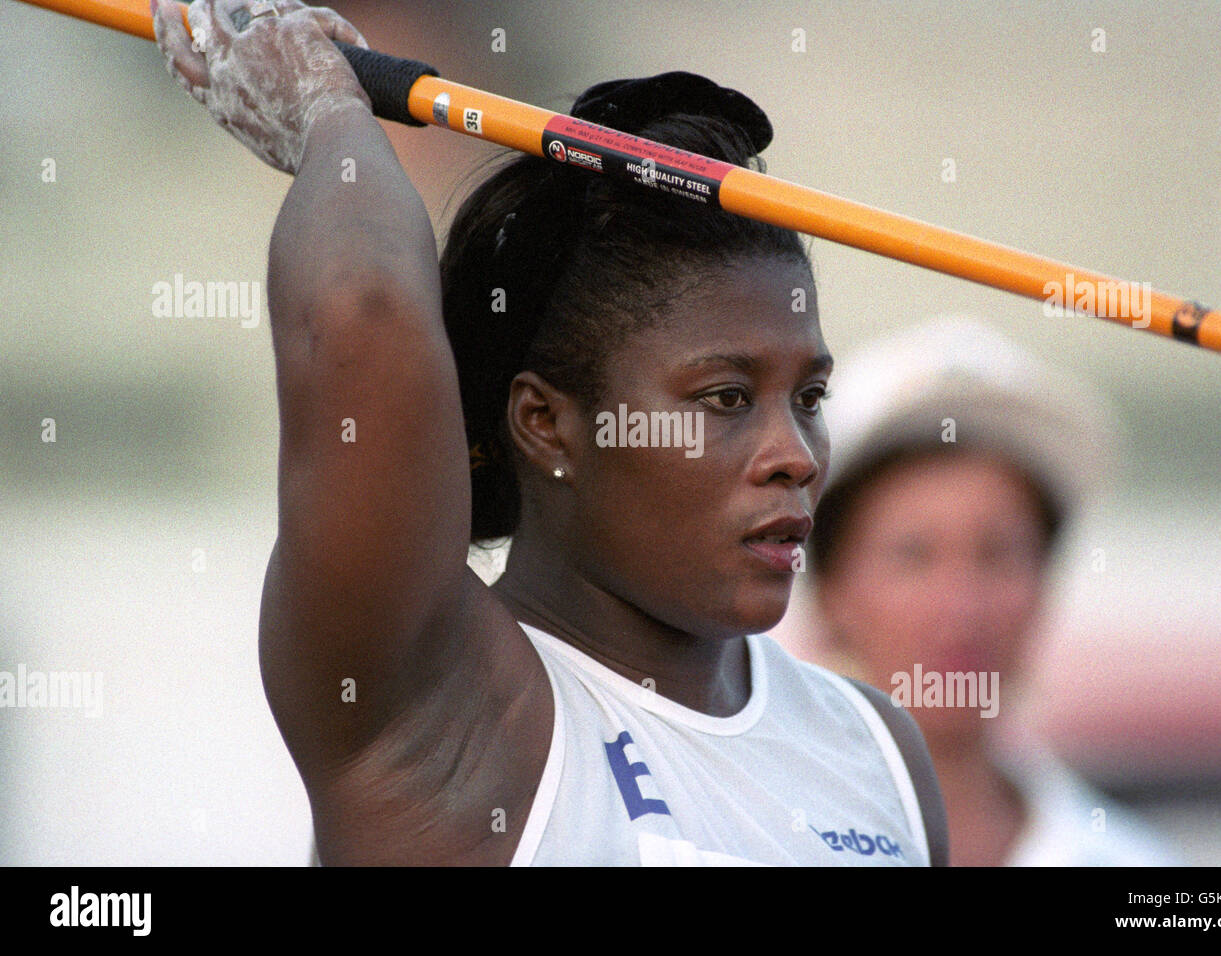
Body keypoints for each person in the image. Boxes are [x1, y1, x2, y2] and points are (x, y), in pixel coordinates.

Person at [152, 0, 948, 866]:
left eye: (810, 397)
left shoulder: (881, 753)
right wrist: (326, 116)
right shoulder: (442, 705)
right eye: (725, 399)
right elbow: (363, 310)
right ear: (546, 425)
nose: (794, 455)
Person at [808, 315, 1179, 866]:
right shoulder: (736, 842)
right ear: (829, 591)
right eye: (913, 555)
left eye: (1000, 554)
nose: (961, 607)